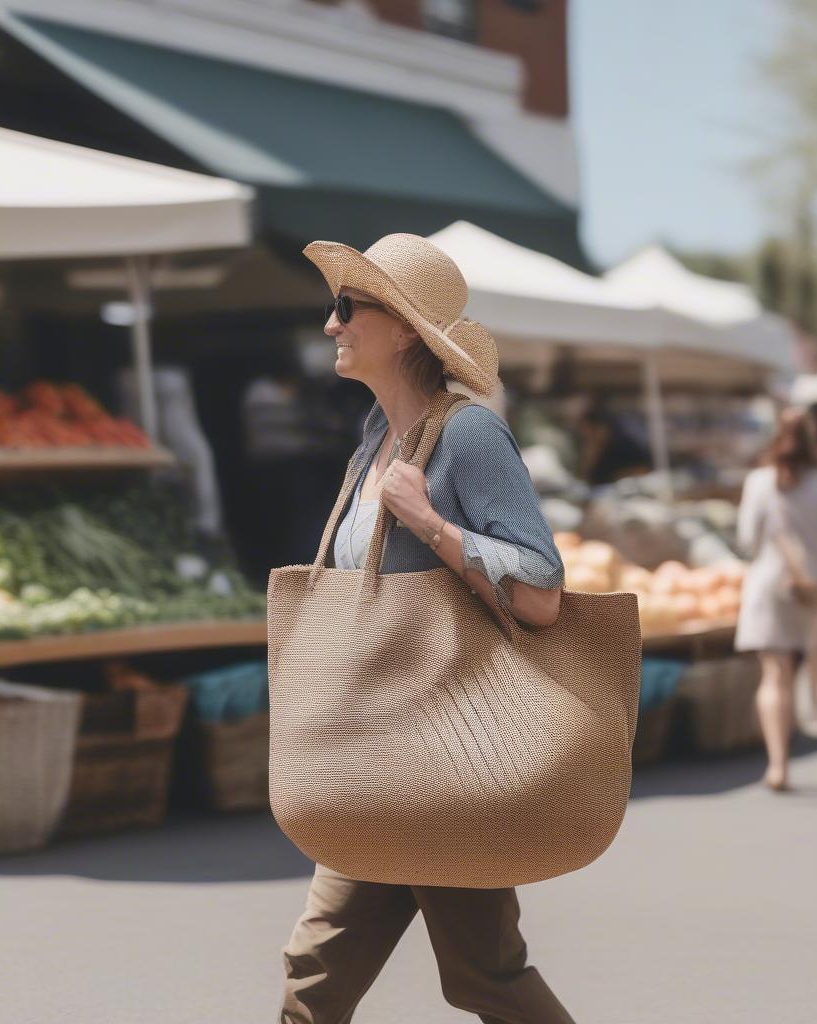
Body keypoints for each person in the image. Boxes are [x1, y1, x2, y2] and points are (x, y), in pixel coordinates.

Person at [278, 232, 575, 1024]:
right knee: (316, 971)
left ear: (404, 327)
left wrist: (432, 524)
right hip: (372, 751)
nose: (331, 325)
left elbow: (543, 587)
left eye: (348, 307)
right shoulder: (374, 439)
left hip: (447, 756)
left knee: (484, 976)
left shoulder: (469, 434)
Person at [735, 408, 817, 792]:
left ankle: (778, 767)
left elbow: (747, 540)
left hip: (772, 584)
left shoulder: (759, 482)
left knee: (775, 677)